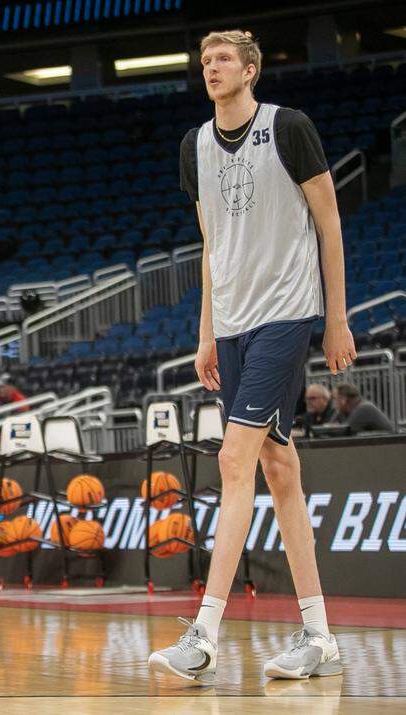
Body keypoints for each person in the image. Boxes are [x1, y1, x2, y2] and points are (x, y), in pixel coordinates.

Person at [149, 30, 357, 684]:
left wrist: (337, 318)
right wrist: (205, 330)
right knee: (278, 467)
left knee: (234, 457)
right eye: (204, 60)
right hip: (233, 322)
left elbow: (330, 223)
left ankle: (205, 633)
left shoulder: (288, 128)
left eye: (223, 59)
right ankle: (320, 634)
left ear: (251, 69)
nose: (211, 67)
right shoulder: (195, 147)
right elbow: (211, 245)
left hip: (285, 314)